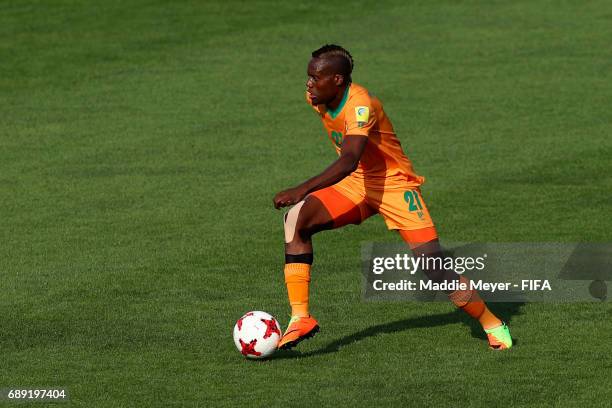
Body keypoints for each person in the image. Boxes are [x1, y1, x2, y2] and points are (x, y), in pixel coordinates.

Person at [273, 44, 512, 351]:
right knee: (296, 220)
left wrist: (301, 189)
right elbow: (352, 168)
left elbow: (348, 160)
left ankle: (493, 323)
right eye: (308, 76)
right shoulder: (316, 98)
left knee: (433, 265)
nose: (308, 83)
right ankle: (300, 317)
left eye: (315, 77)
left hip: (394, 185)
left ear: (337, 80)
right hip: (358, 183)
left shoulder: (361, 105)